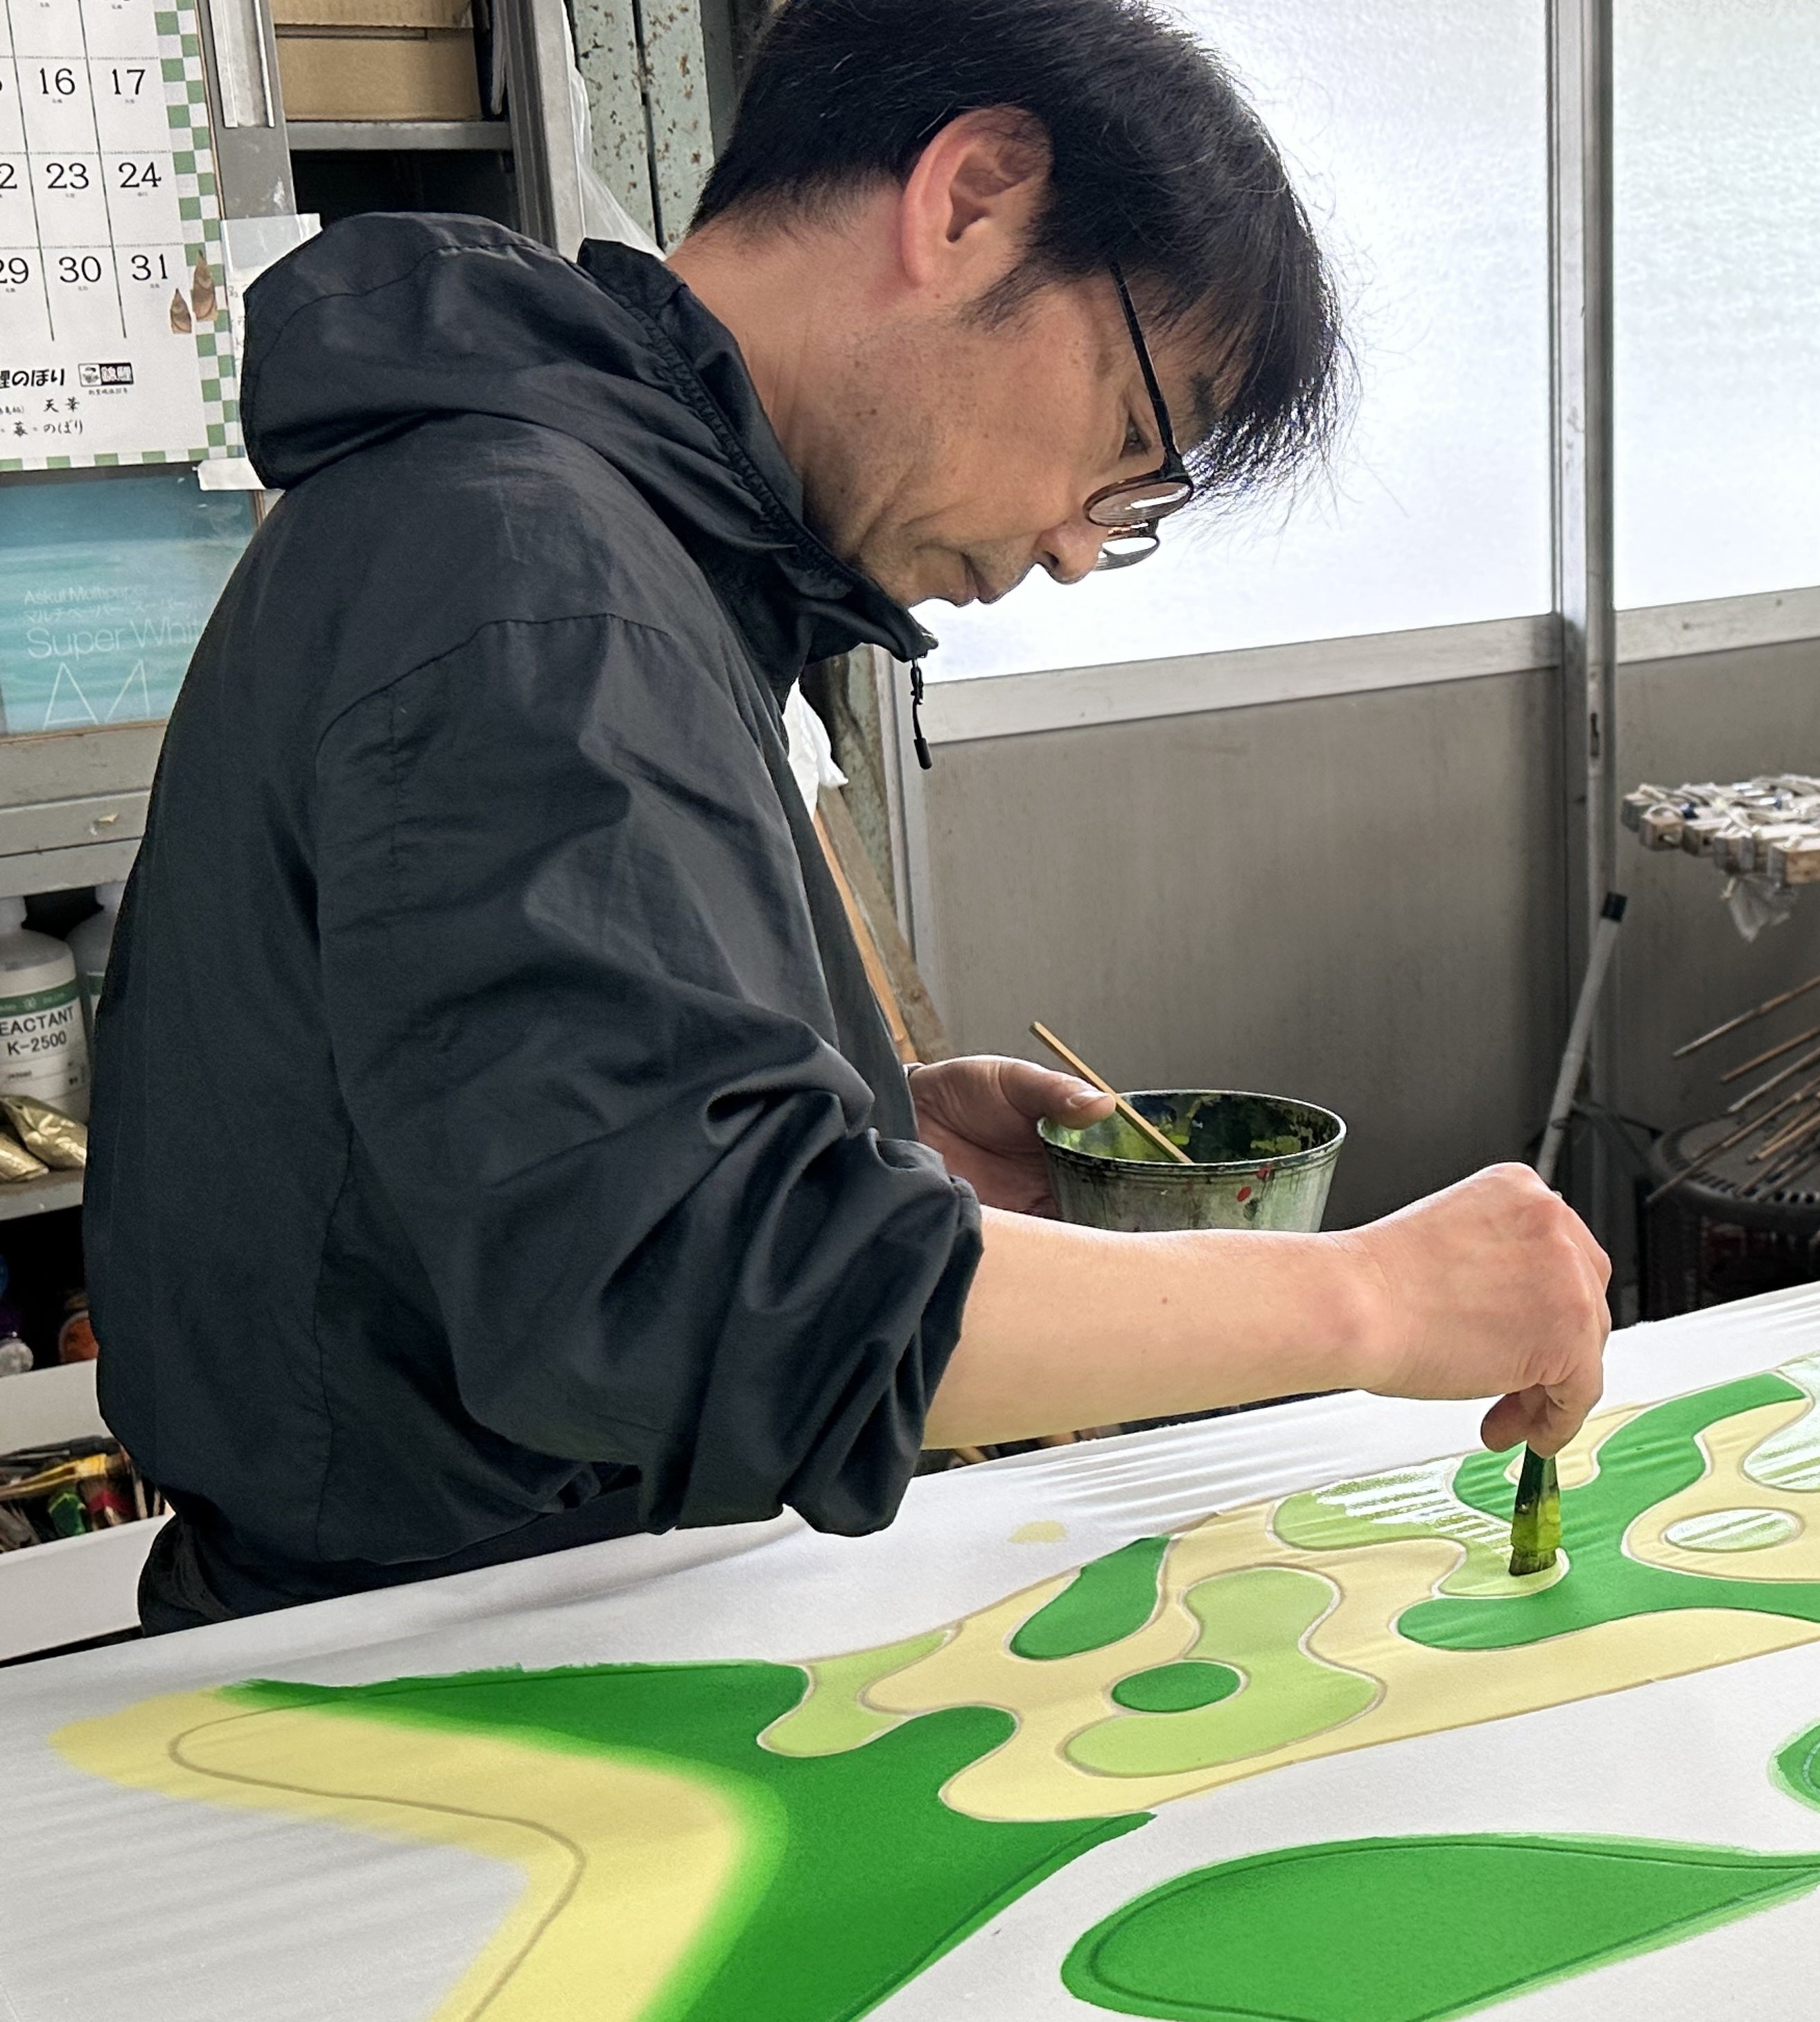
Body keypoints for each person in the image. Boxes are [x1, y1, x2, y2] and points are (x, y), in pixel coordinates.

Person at [87, 0, 1609, 1632]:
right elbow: (698, 1291)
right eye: (1128, 441)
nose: (1078, 546)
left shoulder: (585, 532)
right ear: (973, 196)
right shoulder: (533, 578)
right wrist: (1366, 1298)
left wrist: (853, 1115)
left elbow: (478, 1132)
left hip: (512, 1603)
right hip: (428, 1659)